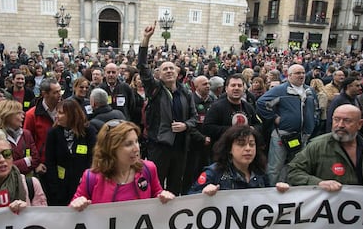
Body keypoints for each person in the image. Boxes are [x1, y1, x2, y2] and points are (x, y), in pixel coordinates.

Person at [137, 21, 197, 195]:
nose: (169, 71)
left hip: (180, 147)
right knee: (156, 187)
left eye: (172, 68)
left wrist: (186, 125)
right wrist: (146, 38)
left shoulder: (185, 93)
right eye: (165, 69)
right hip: (160, 146)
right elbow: (141, 66)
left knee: (174, 186)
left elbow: (194, 118)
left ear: (178, 73)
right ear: (159, 75)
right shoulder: (155, 89)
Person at [69, 120, 174, 210]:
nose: (136, 148)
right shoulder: (91, 177)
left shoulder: (148, 169)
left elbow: (157, 194)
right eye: (128, 144)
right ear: (111, 148)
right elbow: (70, 213)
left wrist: (164, 197)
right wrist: (78, 204)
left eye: (136, 141)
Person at [256, 64, 318, 184]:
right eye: (297, 73)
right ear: (289, 76)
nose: (301, 75)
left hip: (303, 136)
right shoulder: (280, 90)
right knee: (275, 167)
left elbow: (315, 108)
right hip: (283, 135)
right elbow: (261, 103)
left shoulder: (309, 91)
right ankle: (270, 190)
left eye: (303, 73)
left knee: (296, 166)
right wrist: (275, 118)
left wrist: (313, 121)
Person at [189, 125, 289, 195]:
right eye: (241, 144)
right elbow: (190, 199)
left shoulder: (260, 173)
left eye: (252, 144)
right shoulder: (214, 173)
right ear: (229, 149)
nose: (248, 148)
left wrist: (279, 193)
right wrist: (203, 193)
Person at [45, 100, 97, 206]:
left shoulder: (88, 132)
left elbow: (94, 157)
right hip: (60, 188)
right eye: (57, 112)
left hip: (84, 186)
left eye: (61, 113)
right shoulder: (53, 133)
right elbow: (50, 162)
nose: (57, 116)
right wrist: (54, 187)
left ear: (72, 114)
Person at [0, 100, 42, 176]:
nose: (23, 116)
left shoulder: (26, 134)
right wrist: (26, 161)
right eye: (19, 113)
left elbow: (35, 159)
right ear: (7, 115)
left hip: (25, 182)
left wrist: (13, 164)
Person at [203, 73, 260, 146]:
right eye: (233, 85)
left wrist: (252, 129)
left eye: (239, 86)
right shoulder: (216, 107)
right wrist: (234, 130)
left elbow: (259, 124)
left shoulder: (248, 107)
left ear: (243, 89)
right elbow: (207, 128)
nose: (236, 88)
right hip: (223, 150)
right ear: (226, 89)